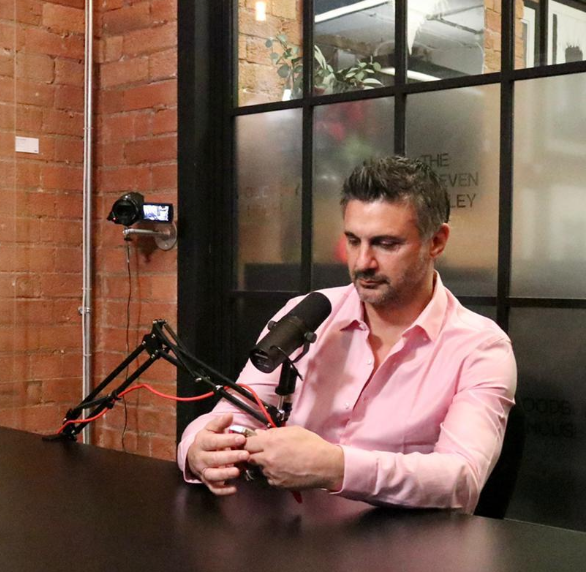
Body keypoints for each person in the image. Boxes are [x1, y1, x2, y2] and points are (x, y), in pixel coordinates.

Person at [178, 156, 516, 512]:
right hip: (287, 535)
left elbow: (461, 479)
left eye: (386, 244)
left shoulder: (480, 347)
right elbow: (235, 414)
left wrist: (335, 467)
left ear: (436, 242)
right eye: (353, 240)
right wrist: (196, 448)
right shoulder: (307, 313)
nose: (362, 262)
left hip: (403, 542)